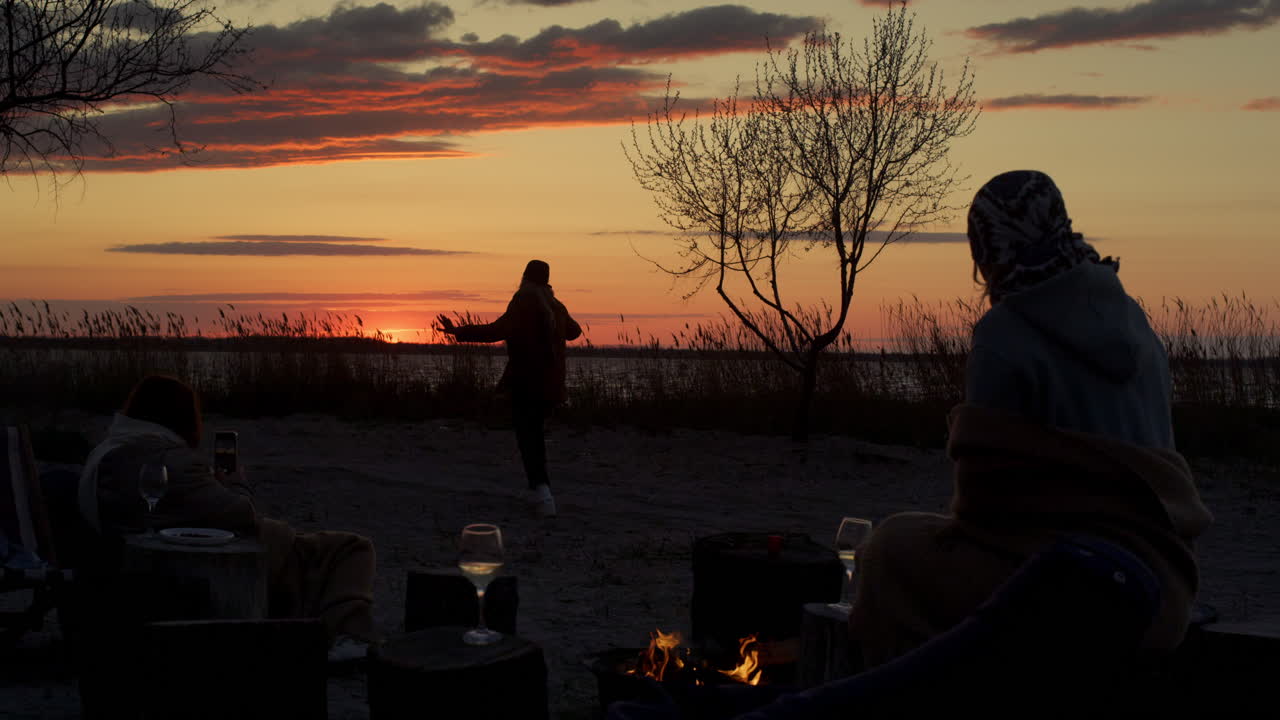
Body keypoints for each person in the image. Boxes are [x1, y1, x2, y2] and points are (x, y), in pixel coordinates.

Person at [848, 170, 1213, 668]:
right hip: (1164, 586)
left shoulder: (1004, 334)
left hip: (1075, 591)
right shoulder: (1133, 319)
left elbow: (985, 509)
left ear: (986, 249)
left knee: (889, 549)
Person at [78, 374, 379, 662]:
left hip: (162, 559)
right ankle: (351, 636)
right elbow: (242, 514)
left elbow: (189, 505)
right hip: (205, 563)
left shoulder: (106, 452)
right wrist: (236, 482)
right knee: (351, 547)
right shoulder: (170, 461)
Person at [438, 259, 582, 517]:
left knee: (529, 436)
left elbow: (496, 331)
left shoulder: (524, 300)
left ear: (525, 277)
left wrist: (457, 332)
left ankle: (542, 493)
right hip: (551, 383)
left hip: (526, 380)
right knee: (534, 434)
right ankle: (539, 490)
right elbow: (574, 332)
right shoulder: (554, 304)